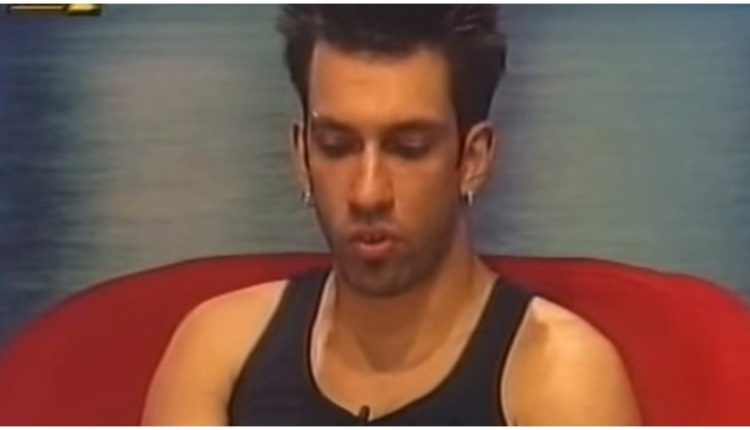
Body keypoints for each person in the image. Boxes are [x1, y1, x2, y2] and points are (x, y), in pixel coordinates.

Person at [142, 5, 640, 425]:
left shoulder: (560, 376)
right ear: (302, 155)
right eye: (336, 146)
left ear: (473, 159)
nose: (368, 193)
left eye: (409, 148)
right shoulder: (219, 352)